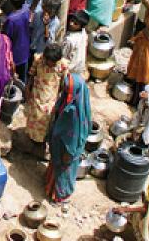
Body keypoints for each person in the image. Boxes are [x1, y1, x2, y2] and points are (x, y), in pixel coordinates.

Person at [44, 70, 91, 204]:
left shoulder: (74, 112)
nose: (63, 89)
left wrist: (69, 153)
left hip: (67, 148)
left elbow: (74, 137)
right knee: (55, 166)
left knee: (63, 172)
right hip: (59, 142)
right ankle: (50, 186)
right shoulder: (69, 99)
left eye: (66, 88)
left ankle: (60, 196)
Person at [4, 0, 32, 82]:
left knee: (13, 78)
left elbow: (7, 38)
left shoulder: (11, 19)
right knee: (23, 78)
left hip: (15, 55)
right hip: (25, 50)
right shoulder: (27, 9)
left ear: (10, 2)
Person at [59, 11, 89, 77]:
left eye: (75, 23)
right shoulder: (83, 33)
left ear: (81, 26)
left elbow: (63, 56)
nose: (71, 23)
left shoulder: (70, 40)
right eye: (72, 20)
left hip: (70, 69)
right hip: (79, 67)